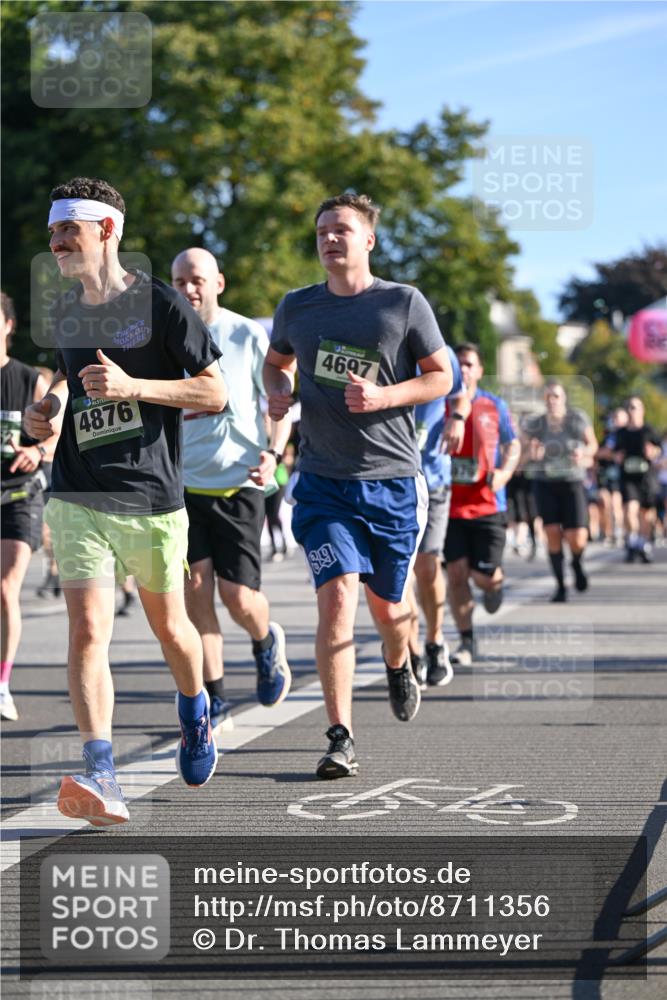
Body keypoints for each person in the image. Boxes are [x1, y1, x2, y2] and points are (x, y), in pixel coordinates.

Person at [24, 177, 228, 827]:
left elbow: (212, 394)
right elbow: (68, 380)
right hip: (77, 490)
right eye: (53, 233)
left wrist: (132, 385)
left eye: (67, 231)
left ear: (105, 231)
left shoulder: (163, 306)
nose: (54, 243)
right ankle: (101, 770)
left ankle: (195, 711)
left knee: (172, 629)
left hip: (149, 496)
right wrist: (49, 408)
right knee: (87, 629)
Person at [263, 192, 453, 779]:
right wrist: (276, 388)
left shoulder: (402, 303)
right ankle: (339, 734)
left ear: (368, 239)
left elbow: (442, 376)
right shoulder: (298, 306)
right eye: (322, 230)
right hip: (323, 482)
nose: (329, 239)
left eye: (342, 229)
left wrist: (385, 397)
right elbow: (277, 361)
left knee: (389, 606)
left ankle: (401, 662)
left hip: (392, 481)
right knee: (339, 596)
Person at [171, 247, 292, 731]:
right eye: (178, 282)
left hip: (239, 482)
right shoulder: (163, 340)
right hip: (182, 485)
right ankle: (215, 698)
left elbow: (277, 399)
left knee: (239, 597)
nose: (187, 290)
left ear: (218, 282)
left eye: (196, 280)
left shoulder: (245, 333)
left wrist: (274, 452)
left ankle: (265, 642)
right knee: (197, 593)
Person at [1, 293, 59, 721]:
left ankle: (2, 684)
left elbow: (57, 434)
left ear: (8, 325)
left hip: (19, 496)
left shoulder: (27, 380)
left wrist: (36, 452)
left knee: (5, 588)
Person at [444, 343, 520, 665]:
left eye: (469, 364)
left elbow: (512, 444)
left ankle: (494, 586)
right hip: (450, 507)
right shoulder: (440, 405)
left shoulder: (494, 405)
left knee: (482, 577)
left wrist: (504, 472)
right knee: (457, 574)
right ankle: (467, 641)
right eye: (459, 363)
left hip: (489, 505)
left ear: (479, 370)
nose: (463, 369)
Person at [409, 346, 467, 688]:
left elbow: (461, 395)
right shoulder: (369, 343)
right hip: (388, 480)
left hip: (432, 480)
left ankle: (434, 641)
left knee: (427, 564)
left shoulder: (439, 352)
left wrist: (457, 419)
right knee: (399, 575)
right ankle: (411, 649)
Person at [523, 380, 597, 602]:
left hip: (572, 481)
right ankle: (560, 585)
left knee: (577, 537)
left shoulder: (577, 418)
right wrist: (531, 453)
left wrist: (583, 454)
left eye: (556, 396)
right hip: (545, 482)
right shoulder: (536, 423)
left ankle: (576, 562)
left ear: (564, 398)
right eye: (548, 397)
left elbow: (593, 445)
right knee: (552, 533)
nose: (552, 401)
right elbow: (522, 452)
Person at [614, 396, 662, 563]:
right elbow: (609, 450)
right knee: (630, 509)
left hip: (646, 477)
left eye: (635, 407)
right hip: (628, 477)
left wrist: (653, 452)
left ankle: (643, 545)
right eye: (629, 407)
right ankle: (632, 541)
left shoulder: (649, 430)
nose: (632, 410)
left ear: (642, 410)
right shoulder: (620, 433)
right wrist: (616, 456)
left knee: (646, 514)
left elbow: (659, 450)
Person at [596, 407, 628, 546]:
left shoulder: (627, 434)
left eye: (618, 418)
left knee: (617, 505)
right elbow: (599, 453)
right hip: (606, 475)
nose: (615, 422)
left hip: (623, 476)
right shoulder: (608, 435)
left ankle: (620, 531)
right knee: (606, 504)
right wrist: (612, 454)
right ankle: (609, 533)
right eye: (614, 418)